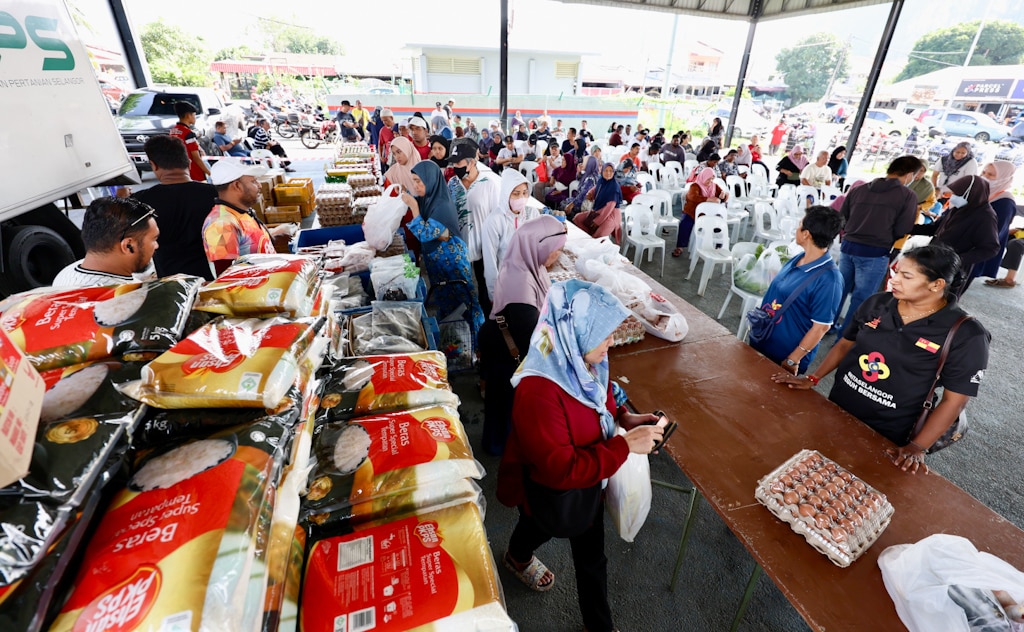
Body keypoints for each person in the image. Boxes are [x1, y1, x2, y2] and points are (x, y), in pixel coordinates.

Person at [496, 280, 665, 630]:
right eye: (602, 335)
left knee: (590, 557)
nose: (610, 343)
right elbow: (560, 470)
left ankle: (598, 625)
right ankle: (517, 555)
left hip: (590, 478)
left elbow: (600, 399)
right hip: (554, 486)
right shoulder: (539, 392)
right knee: (541, 522)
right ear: (575, 331)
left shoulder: (583, 361)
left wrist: (624, 417)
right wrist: (625, 445)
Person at [772, 244, 990, 474]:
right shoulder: (877, 304)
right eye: (896, 272)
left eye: (906, 276)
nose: (894, 280)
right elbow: (845, 344)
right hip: (837, 408)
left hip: (890, 433)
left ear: (936, 284)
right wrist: (814, 378)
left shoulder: (966, 334)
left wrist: (917, 446)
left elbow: (954, 400)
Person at [479, 215, 567, 455]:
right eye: (556, 251)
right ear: (539, 246)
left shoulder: (527, 263)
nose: (557, 256)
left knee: (502, 403)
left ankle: (500, 443)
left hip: (506, 343)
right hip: (505, 352)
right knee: (503, 403)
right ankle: (497, 450)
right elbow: (534, 336)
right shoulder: (520, 283)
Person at [749, 206, 844, 374]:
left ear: (806, 234)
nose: (796, 229)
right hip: (763, 338)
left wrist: (793, 359)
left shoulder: (830, 280)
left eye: (800, 225)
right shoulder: (798, 258)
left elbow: (821, 327)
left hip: (783, 356)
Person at [835, 155, 922, 336]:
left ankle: (824, 328)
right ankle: (846, 338)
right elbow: (904, 228)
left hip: (848, 246)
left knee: (839, 291)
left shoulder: (859, 189)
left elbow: (842, 218)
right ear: (909, 175)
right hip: (874, 252)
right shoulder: (907, 196)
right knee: (862, 298)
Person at [402, 161, 484, 342]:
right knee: (448, 305)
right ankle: (455, 343)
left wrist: (413, 207)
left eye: (419, 181)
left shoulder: (442, 207)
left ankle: (478, 345)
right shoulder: (428, 199)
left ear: (431, 181)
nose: (415, 186)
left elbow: (425, 234)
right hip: (438, 263)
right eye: (413, 181)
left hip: (452, 263)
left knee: (465, 304)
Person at [132, 135, 217, 281]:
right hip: (215, 280)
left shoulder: (140, 201)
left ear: (154, 165)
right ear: (189, 164)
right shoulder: (216, 194)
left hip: (170, 284)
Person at [909, 175, 1000, 296]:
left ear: (971, 194)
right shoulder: (959, 208)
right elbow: (936, 228)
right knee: (922, 297)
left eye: (958, 194)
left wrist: (957, 259)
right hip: (935, 260)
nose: (953, 197)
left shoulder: (985, 216)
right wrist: (907, 228)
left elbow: (991, 248)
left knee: (939, 303)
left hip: (953, 269)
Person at [202, 158, 293, 275]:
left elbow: (249, 244)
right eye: (254, 181)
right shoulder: (221, 225)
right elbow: (228, 278)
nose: (259, 186)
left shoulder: (242, 212)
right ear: (237, 186)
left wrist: (274, 234)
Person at [52, 197, 159, 287]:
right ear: (128, 245)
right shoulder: (125, 297)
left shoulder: (66, 273)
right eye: (154, 239)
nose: (156, 246)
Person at [447, 139, 501, 316]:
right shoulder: (453, 184)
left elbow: (496, 217)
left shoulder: (489, 183)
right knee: (462, 290)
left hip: (483, 247)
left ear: (472, 162)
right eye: (453, 163)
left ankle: (488, 325)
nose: (455, 166)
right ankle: (468, 324)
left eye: (459, 162)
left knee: (485, 290)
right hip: (460, 247)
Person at [483, 169, 542, 300]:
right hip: (507, 283)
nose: (521, 198)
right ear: (506, 194)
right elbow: (490, 262)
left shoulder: (533, 215)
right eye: (516, 194)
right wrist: (494, 294)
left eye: (525, 193)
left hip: (530, 280)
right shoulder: (494, 221)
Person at [976, 161, 1018, 283]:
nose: (985, 176)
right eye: (984, 172)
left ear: (1004, 177)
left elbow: (996, 232)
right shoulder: (982, 191)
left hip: (976, 251)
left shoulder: (1005, 202)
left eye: (991, 175)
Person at [673, 167, 726, 258]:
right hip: (692, 212)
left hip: (709, 214)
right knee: (685, 223)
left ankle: (717, 245)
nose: (710, 181)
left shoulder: (714, 186)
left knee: (719, 223)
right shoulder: (695, 186)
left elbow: (721, 196)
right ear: (703, 177)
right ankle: (680, 246)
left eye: (712, 179)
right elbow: (692, 197)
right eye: (708, 179)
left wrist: (724, 196)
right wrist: (708, 199)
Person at [573, 163, 623, 242]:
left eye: (611, 171)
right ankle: (589, 238)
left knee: (597, 237)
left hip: (611, 216)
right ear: (602, 171)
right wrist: (589, 193)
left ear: (614, 172)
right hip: (599, 210)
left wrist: (598, 221)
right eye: (606, 170)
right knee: (577, 218)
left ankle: (593, 241)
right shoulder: (601, 181)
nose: (608, 173)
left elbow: (609, 208)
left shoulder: (614, 187)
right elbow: (595, 188)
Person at [169, 101, 210, 183]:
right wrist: (209, 172)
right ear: (188, 115)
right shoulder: (188, 133)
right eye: (194, 115)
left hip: (180, 171)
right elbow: (196, 157)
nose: (195, 118)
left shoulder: (173, 131)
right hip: (194, 173)